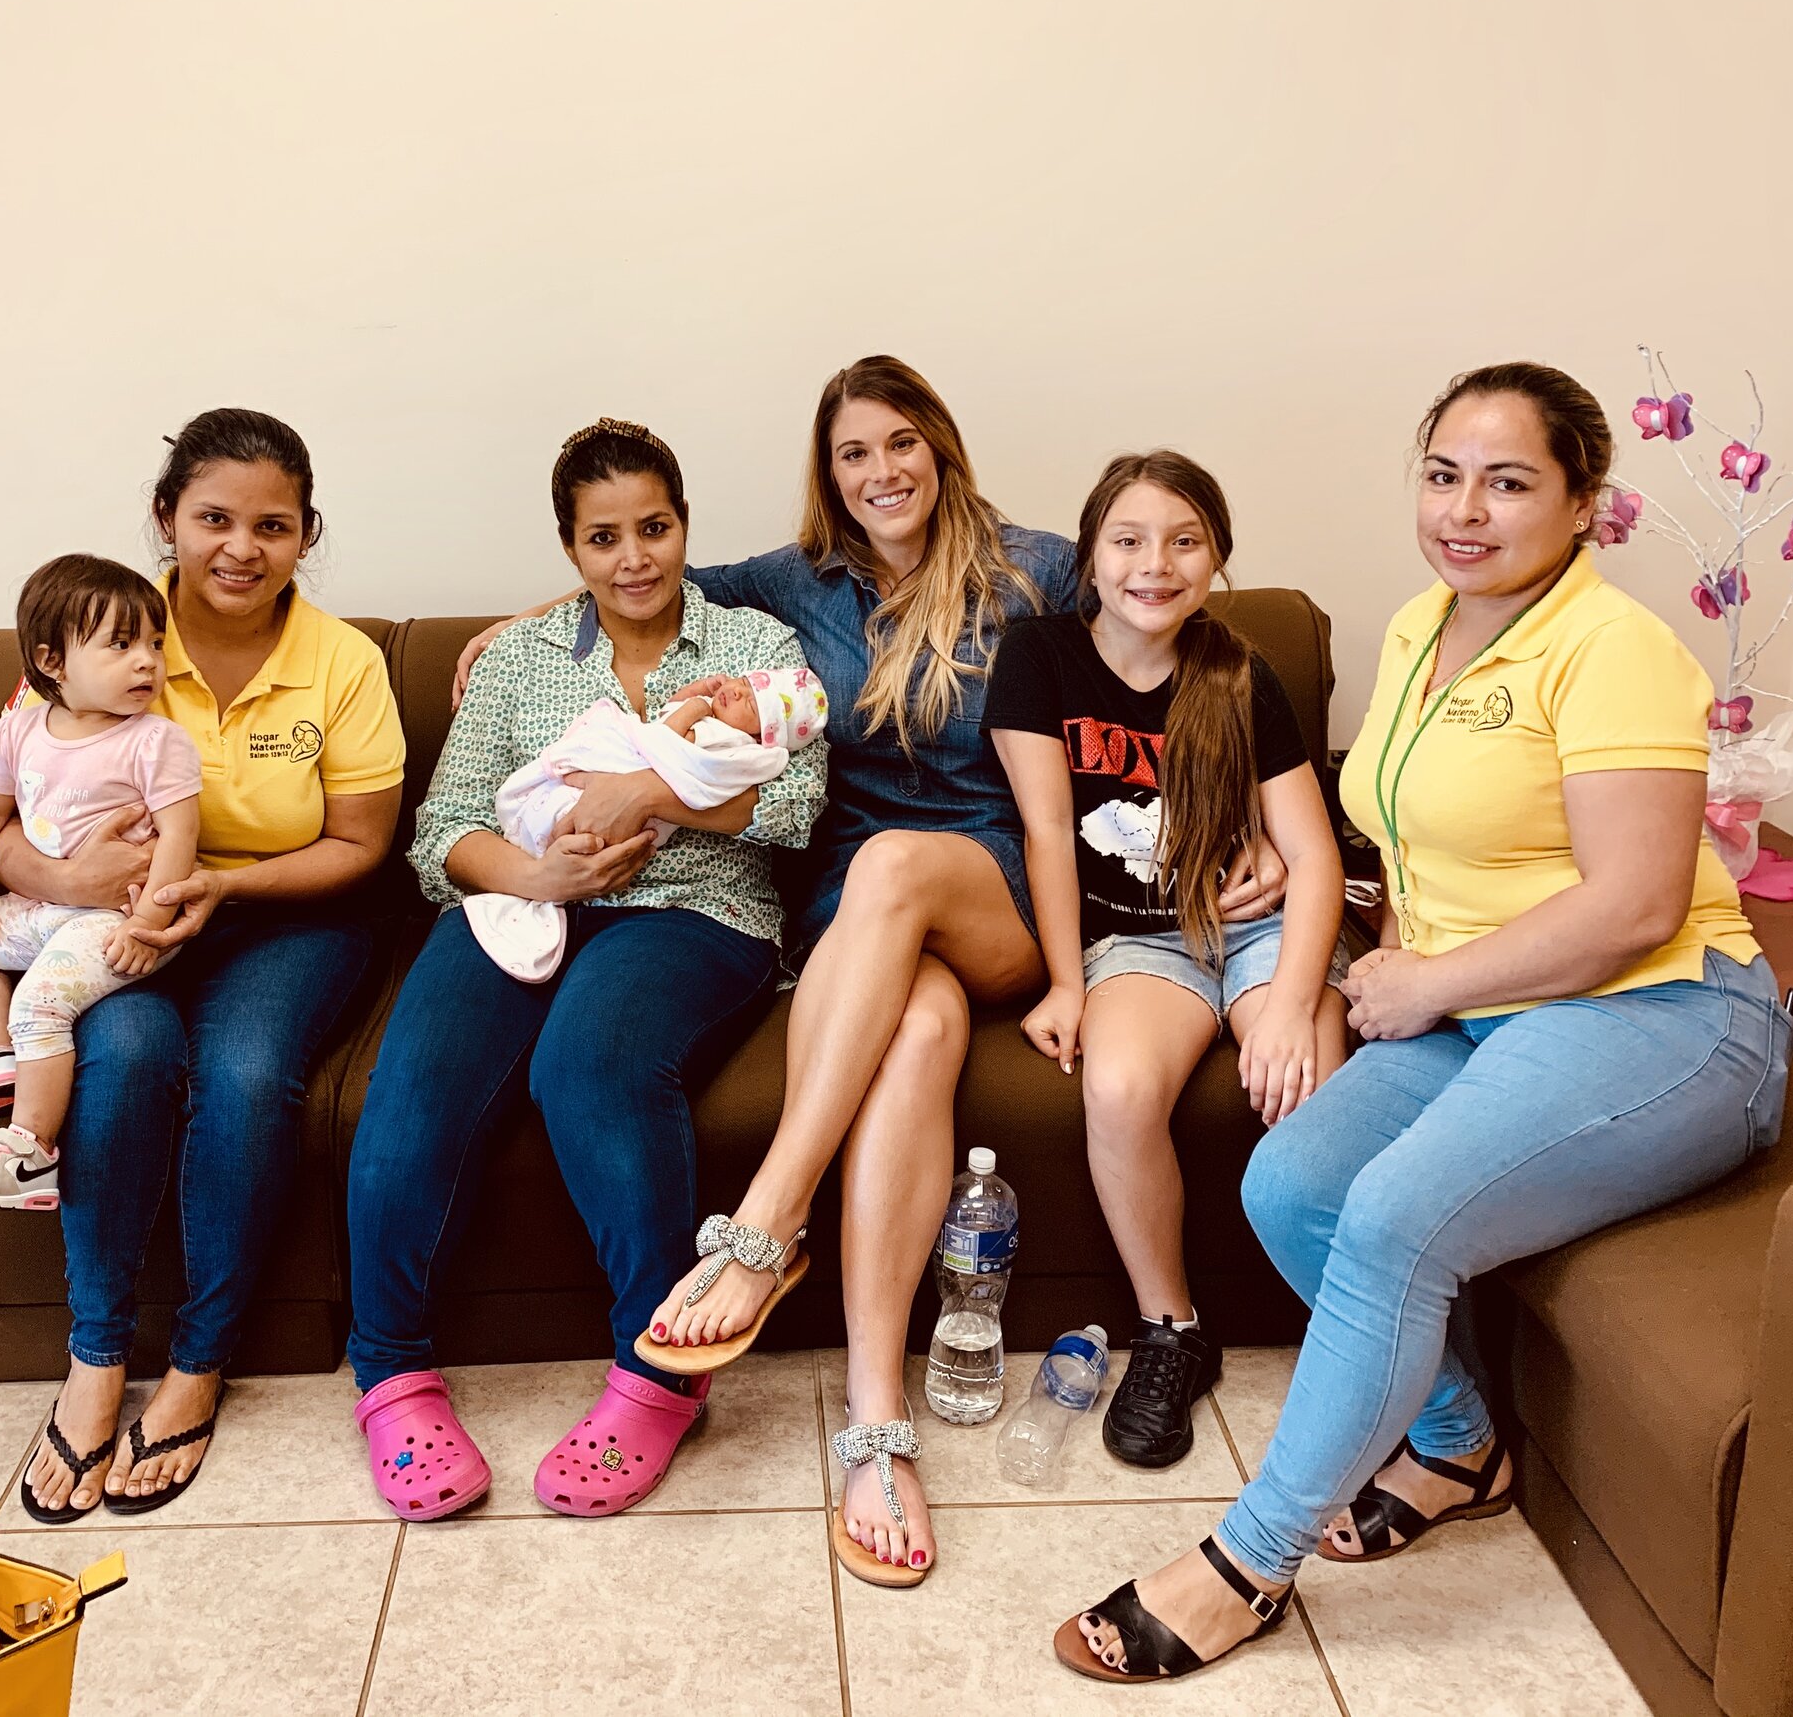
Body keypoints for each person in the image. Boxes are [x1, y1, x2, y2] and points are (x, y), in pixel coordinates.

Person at [455, 358, 1287, 1585]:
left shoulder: (1039, 567)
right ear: (828, 473)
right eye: (853, 455)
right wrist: (526, 625)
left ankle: (764, 1221)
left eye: (900, 444)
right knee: (912, 1035)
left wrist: (1249, 820)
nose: (880, 473)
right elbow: (648, 581)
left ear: (939, 447)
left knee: (901, 859)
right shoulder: (794, 581)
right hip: (857, 914)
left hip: (994, 884)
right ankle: (876, 1430)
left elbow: (1171, 643)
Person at [1055, 362, 1791, 1685]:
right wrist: (1303, 869)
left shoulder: (1613, 646)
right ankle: (1457, 1443)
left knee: (1392, 1215)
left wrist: (1424, 982)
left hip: (1663, 1009)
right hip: (1491, 1001)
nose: (1467, 508)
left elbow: (1634, 902)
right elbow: (1407, 818)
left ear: (1584, 501)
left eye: (1510, 481)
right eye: (1445, 473)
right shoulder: (1420, 627)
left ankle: (1243, 1563)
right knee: (1287, 1179)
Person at [346, 417, 825, 1521]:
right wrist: (540, 875)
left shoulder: (753, 646)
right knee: (412, 1087)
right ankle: (391, 1371)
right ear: (571, 548)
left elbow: (797, 805)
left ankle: (658, 1372)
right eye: (603, 537)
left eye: (654, 528)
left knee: (588, 1064)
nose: (634, 558)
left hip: (694, 911)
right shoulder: (518, 659)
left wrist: (654, 796)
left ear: (683, 526)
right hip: (523, 901)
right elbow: (442, 834)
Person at [0, 409, 406, 1525]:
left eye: (273, 525)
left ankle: (200, 1362)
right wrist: (72, 882)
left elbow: (359, 848)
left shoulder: (342, 662)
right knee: (119, 1060)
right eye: (213, 518)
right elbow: (3, 811)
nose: (240, 547)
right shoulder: (103, 629)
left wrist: (217, 885)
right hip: (112, 925)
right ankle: (94, 1361)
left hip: (289, 918)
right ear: (166, 517)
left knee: (247, 1073)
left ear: (307, 534)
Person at [985, 452, 1349, 1470]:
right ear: (1090, 558)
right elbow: (1047, 834)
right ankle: (1172, 1333)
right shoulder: (1040, 659)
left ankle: (1362, 1335)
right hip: (1140, 943)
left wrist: (1285, 1002)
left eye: (1184, 541)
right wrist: (1066, 980)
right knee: (1118, 1087)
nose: (1155, 564)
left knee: (1304, 1090)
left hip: (1256, 930)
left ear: (1216, 558)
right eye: (1129, 541)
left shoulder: (1239, 674)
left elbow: (1312, 857)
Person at [0, 555, 204, 1210]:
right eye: (121, 645)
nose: (147, 662)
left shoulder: (156, 742)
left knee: (39, 1002)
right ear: (52, 660)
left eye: (156, 644)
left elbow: (180, 837)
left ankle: (32, 1149)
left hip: (119, 917)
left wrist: (149, 923)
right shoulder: (18, 730)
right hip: (44, 904)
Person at [464, 663, 826, 981]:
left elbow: (668, 740)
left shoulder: (726, 740)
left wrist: (694, 712)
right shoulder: (516, 651)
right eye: (744, 683)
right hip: (541, 880)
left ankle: (545, 831)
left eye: (750, 703)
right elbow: (450, 820)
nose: (735, 691)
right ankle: (544, 853)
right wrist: (540, 880)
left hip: (682, 911)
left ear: (762, 735)